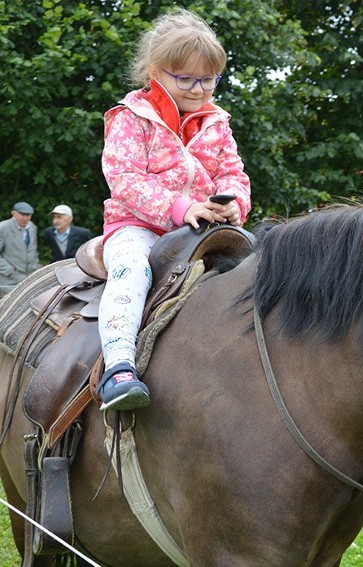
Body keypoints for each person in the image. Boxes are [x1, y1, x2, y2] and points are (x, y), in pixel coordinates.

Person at [97, 8, 250, 411]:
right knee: (132, 269)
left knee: (257, 270)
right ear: (155, 71)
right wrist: (181, 207)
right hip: (138, 226)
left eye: (209, 79)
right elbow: (124, 178)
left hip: (202, 228)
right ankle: (118, 368)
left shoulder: (218, 124)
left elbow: (233, 173)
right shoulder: (132, 119)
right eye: (186, 79)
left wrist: (233, 204)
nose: (199, 89)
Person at [0, 202, 41, 297]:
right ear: (13, 213)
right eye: (22, 215)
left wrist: (36, 266)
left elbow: (33, 250)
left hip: (29, 278)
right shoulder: (3, 227)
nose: (26, 218)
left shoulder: (32, 227)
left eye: (28, 215)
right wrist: (9, 270)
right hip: (8, 281)